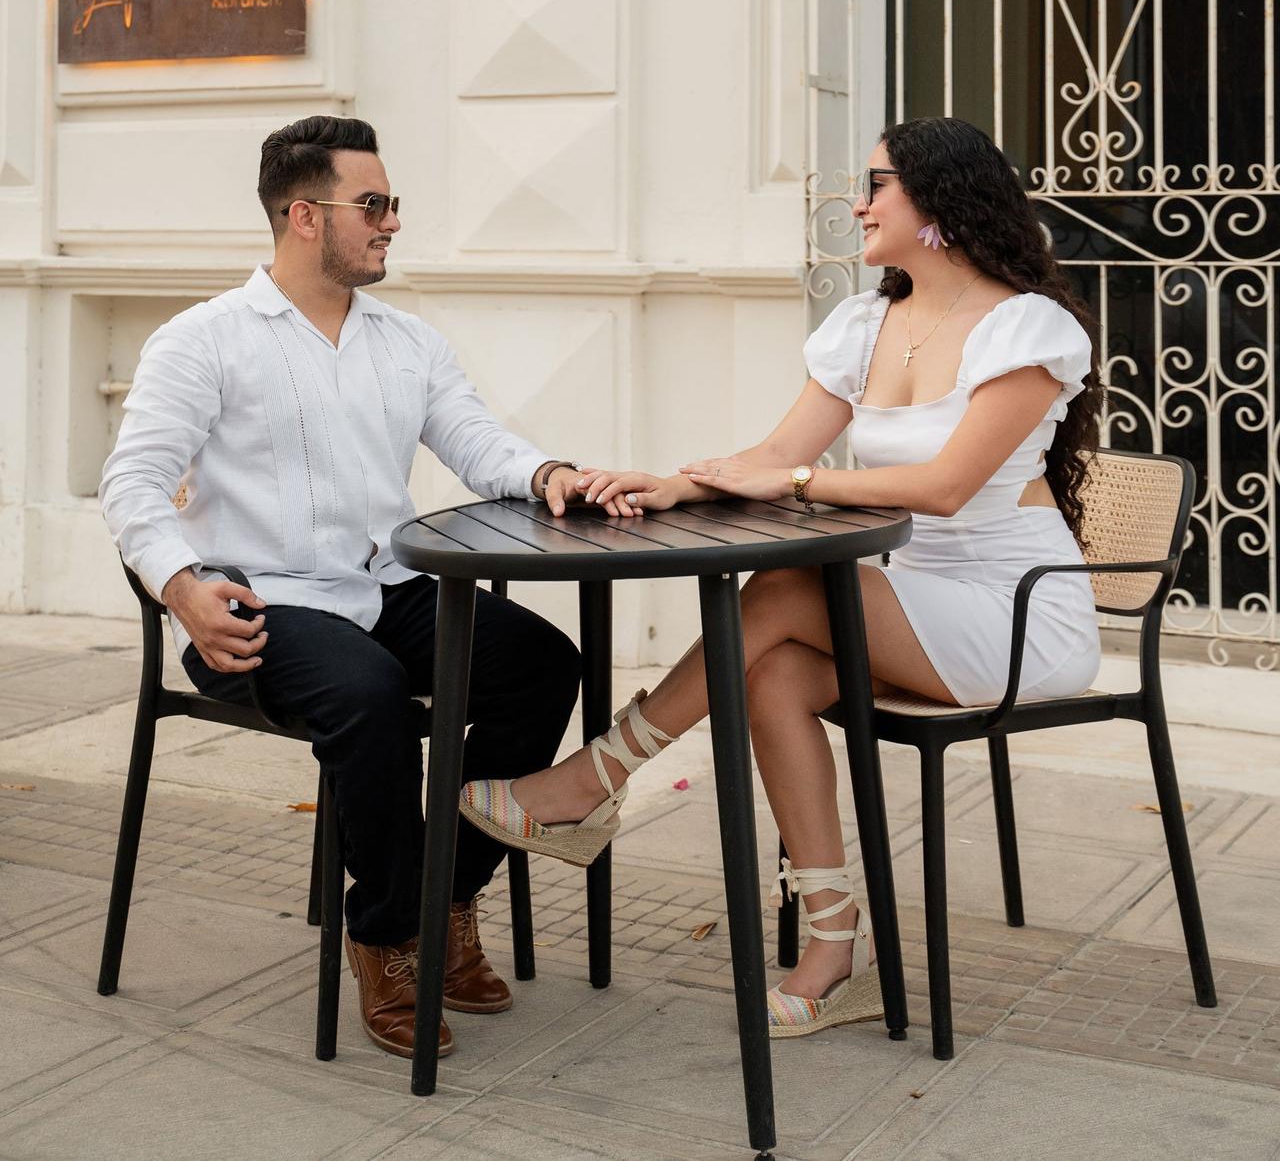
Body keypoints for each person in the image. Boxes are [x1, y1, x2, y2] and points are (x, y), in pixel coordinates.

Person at [457, 116, 1103, 1038]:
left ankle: (591, 779)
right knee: (772, 672)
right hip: (910, 606)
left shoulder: (1026, 328)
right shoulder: (868, 321)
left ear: (940, 202)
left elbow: (948, 487)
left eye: (876, 183)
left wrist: (794, 483)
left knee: (790, 590)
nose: (857, 200)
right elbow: (776, 449)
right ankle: (837, 953)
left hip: (1016, 617)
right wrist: (677, 480)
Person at [100, 114, 611, 1061]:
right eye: (372, 205)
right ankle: (384, 933)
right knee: (369, 697)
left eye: (392, 204)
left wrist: (548, 475)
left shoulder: (407, 342)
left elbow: (476, 440)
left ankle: (447, 898)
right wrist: (180, 588)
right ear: (305, 214)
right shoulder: (202, 339)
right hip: (254, 606)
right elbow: (130, 482)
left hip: (382, 588)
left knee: (542, 666)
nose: (391, 223)